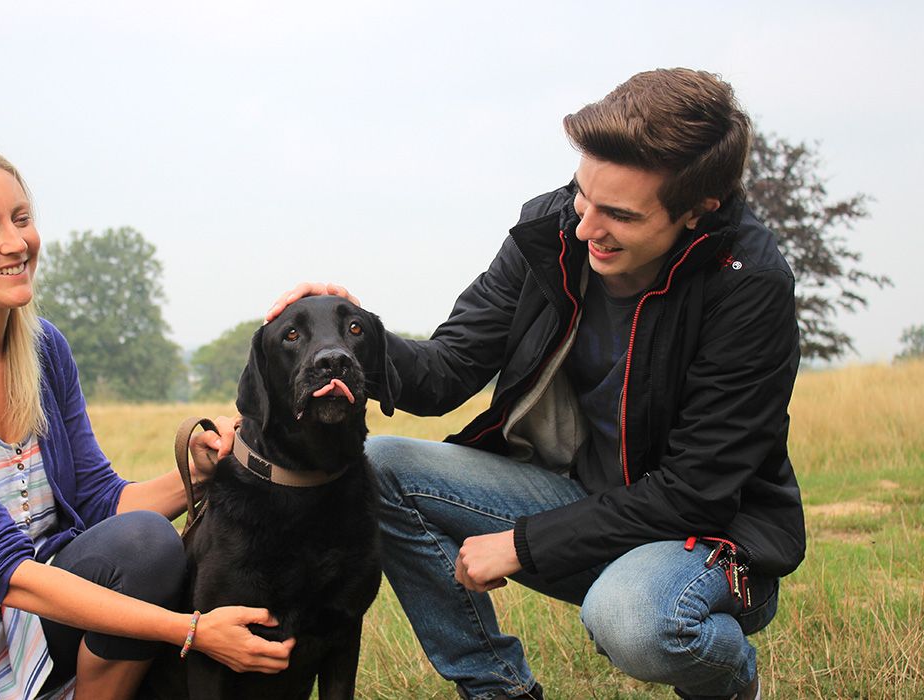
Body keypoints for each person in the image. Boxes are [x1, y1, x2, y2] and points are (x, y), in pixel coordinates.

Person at [267, 68, 804, 700]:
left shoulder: (750, 284)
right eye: (583, 195)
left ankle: (733, 682)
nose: (585, 229)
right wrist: (352, 336)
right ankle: (500, 692)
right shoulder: (549, 230)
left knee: (634, 621)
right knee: (382, 465)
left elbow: (695, 494)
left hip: (706, 537)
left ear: (697, 210)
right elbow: (448, 370)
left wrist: (523, 545)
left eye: (620, 216)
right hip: (582, 496)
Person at [0, 147, 293, 699]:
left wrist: (202, 471)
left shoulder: (43, 349)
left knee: (146, 547)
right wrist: (192, 632)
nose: (16, 243)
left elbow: (102, 501)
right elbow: (2, 569)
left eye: (22, 219)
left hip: (41, 623)